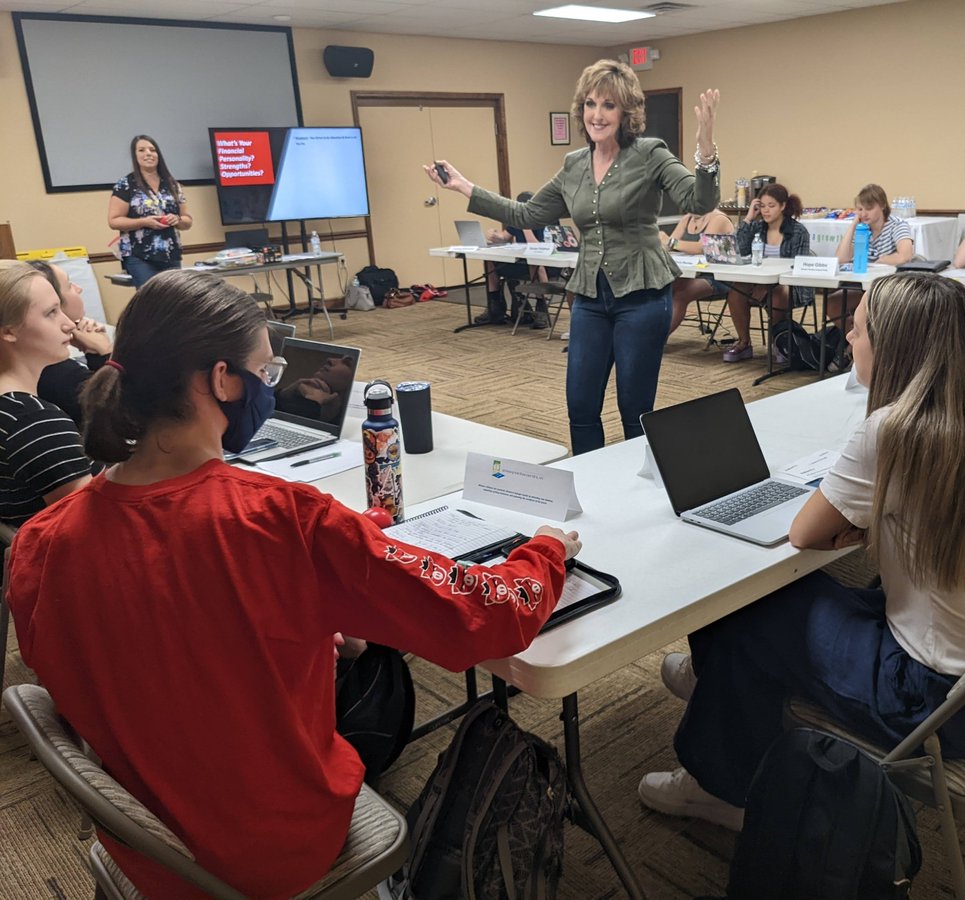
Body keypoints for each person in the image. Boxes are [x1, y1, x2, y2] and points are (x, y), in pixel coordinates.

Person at [7, 270, 582, 899]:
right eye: (267, 372)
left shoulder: (43, 539)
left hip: (147, 846)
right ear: (221, 380)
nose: (269, 388)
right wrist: (547, 551)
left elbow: (142, 633)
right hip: (273, 848)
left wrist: (287, 621)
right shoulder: (281, 519)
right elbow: (484, 615)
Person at [638, 272, 965, 829]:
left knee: (747, 607)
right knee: (791, 605)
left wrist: (859, 522)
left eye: (857, 330)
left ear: (893, 347)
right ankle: (716, 687)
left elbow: (805, 534)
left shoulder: (895, 430)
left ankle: (720, 789)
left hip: (935, 704)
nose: (849, 340)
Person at [425, 59, 720, 454]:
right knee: (580, 406)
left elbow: (699, 200)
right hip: (590, 296)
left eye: (609, 105)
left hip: (643, 295)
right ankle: (590, 486)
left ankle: (642, 496)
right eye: (591, 104)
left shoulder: (650, 154)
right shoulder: (574, 165)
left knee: (634, 410)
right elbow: (526, 214)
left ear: (626, 112)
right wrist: (466, 187)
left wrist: (705, 148)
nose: (597, 115)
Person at [0, 263, 93, 525]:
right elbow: (94, 529)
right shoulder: (35, 422)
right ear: (9, 331)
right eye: (51, 313)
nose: (67, 324)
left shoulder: (14, 411)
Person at [722, 184, 810, 363]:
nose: (766, 210)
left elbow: (799, 267)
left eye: (771, 206)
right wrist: (747, 219)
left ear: (783, 206)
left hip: (790, 285)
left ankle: (778, 343)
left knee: (777, 293)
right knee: (736, 292)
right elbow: (738, 251)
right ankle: (744, 342)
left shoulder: (798, 231)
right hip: (759, 281)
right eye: (762, 206)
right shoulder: (757, 227)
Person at [28, 260, 112, 427]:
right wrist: (106, 353)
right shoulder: (58, 373)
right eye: (69, 285)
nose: (79, 289)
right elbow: (126, 412)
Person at [107, 134, 192, 287]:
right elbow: (114, 221)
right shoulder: (125, 184)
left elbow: (187, 220)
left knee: (175, 301)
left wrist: (177, 220)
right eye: (141, 150)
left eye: (152, 150)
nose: (148, 153)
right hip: (139, 255)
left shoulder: (172, 184)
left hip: (170, 253)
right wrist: (144, 222)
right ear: (135, 156)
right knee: (151, 302)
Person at [828, 183, 915, 329]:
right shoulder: (861, 228)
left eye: (869, 209)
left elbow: (905, 256)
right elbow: (842, 259)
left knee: (867, 310)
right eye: (860, 209)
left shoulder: (897, 225)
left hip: (887, 288)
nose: (863, 214)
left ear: (882, 205)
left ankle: (863, 345)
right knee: (832, 303)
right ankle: (852, 343)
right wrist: (853, 225)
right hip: (861, 286)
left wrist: (881, 260)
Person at [474, 190, 554, 328]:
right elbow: (504, 237)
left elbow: (535, 244)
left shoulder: (540, 221)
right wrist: (494, 236)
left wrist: (526, 226)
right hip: (519, 261)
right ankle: (495, 306)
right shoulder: (516, 221)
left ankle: (542, 308)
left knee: (534, 262)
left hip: (540, 262)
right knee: (489, 260)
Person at [659, 208, 735, 335]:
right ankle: (648, 334)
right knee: (663, 288)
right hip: (692, 273)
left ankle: (658, 339)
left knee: (681, 293)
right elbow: (668, 246)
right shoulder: (687, 219)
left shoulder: (718, 219)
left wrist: (670, 242)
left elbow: (701, 247)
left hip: (717, 277)